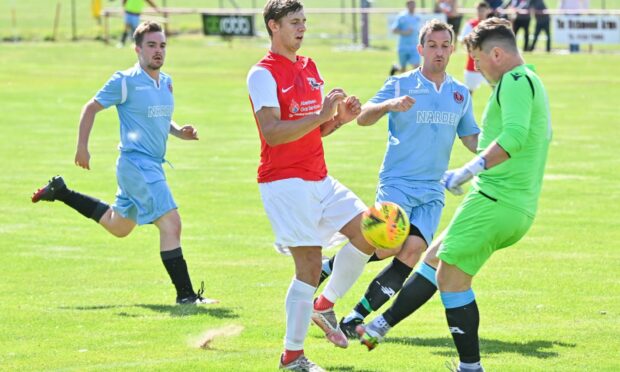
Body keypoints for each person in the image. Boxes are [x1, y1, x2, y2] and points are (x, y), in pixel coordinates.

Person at [361, 18, 552, 371]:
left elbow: (513, 138)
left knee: (451, 277)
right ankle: (377, 326)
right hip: (511, 205)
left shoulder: (513, 81)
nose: (475, 67)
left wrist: (467, 170)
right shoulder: (531, 80)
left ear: (496, 53)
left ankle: (468, 366)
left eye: (477, 59)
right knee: (434, 257)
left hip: (496, 200)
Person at [32, 21, 217, 306]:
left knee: (119, 226)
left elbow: (158, 116)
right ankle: (186, 296)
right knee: (171, 223)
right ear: (138, 49)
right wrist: (82, 146)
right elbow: (90, 107)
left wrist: (179, 132)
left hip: (150, 165)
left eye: (162, 45)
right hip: (137, 165)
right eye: (152, 45)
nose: (158, 51)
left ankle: (61, 192)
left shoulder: (165, 81)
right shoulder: (125, 80)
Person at [246, 1, 377, 370]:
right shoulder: (262, 74)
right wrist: (322, 114)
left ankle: (325, 306)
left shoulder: (309, 66)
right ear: (273, 26)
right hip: (285, 182)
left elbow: (311, 131)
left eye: (304, 21)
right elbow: (272, 133)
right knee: (308, 266)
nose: (301, 28)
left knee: (371, 232)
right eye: (293, 23)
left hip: (320, 177)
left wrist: (338, 121)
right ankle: (292, 357)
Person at [333, 19, 480, 339]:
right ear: (420, 49)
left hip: (432, 189)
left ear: (452, 50)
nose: (438, 52)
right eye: (432, 46)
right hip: (398, 181)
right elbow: (363, 117)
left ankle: (353, 317)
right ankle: (329, 269)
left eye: (444, 46)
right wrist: (389, 105)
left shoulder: (460, 94)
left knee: (411, 252)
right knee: (388, 245)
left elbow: (470, 138)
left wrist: (501, 146)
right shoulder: (401, 84)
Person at [460, 2, 492, 94]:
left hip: (489, 65)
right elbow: (462, 40)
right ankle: (467, 109)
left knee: (497, 90)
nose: (480, 12)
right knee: (469, 93)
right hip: (472, 65)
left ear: (488, 11)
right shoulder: (470, 24)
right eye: (479, 10)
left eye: (483, 10)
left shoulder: (491, 25)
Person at [391, 1, 423, 75]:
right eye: (411, 4)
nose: (413, 6)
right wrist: (404, 32)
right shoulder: (402, 17)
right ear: (407, 5)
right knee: (403, 70)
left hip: (414, 47)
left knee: (417, 67)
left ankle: (415, 85)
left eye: (414, 4)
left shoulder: (417, 17)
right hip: (403, 47)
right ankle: (396, 67)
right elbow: (393, 30)